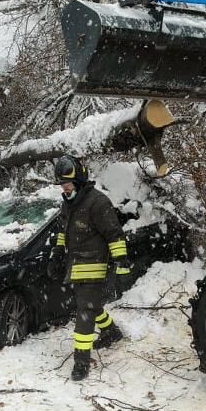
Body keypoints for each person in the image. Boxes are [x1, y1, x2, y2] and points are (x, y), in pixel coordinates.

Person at [47, 155, 131, 381]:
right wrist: (56, 253)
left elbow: (114, 234)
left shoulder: (98, 203)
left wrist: (121, 262)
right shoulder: (69, 203)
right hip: (75, 266)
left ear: (80, 181)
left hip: (94, 266)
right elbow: (63, 232)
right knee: (90, 307)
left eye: (68, 184)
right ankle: (111, 332)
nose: (64, 188)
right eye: (62, 185)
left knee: (84, 312)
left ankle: (81, 362)